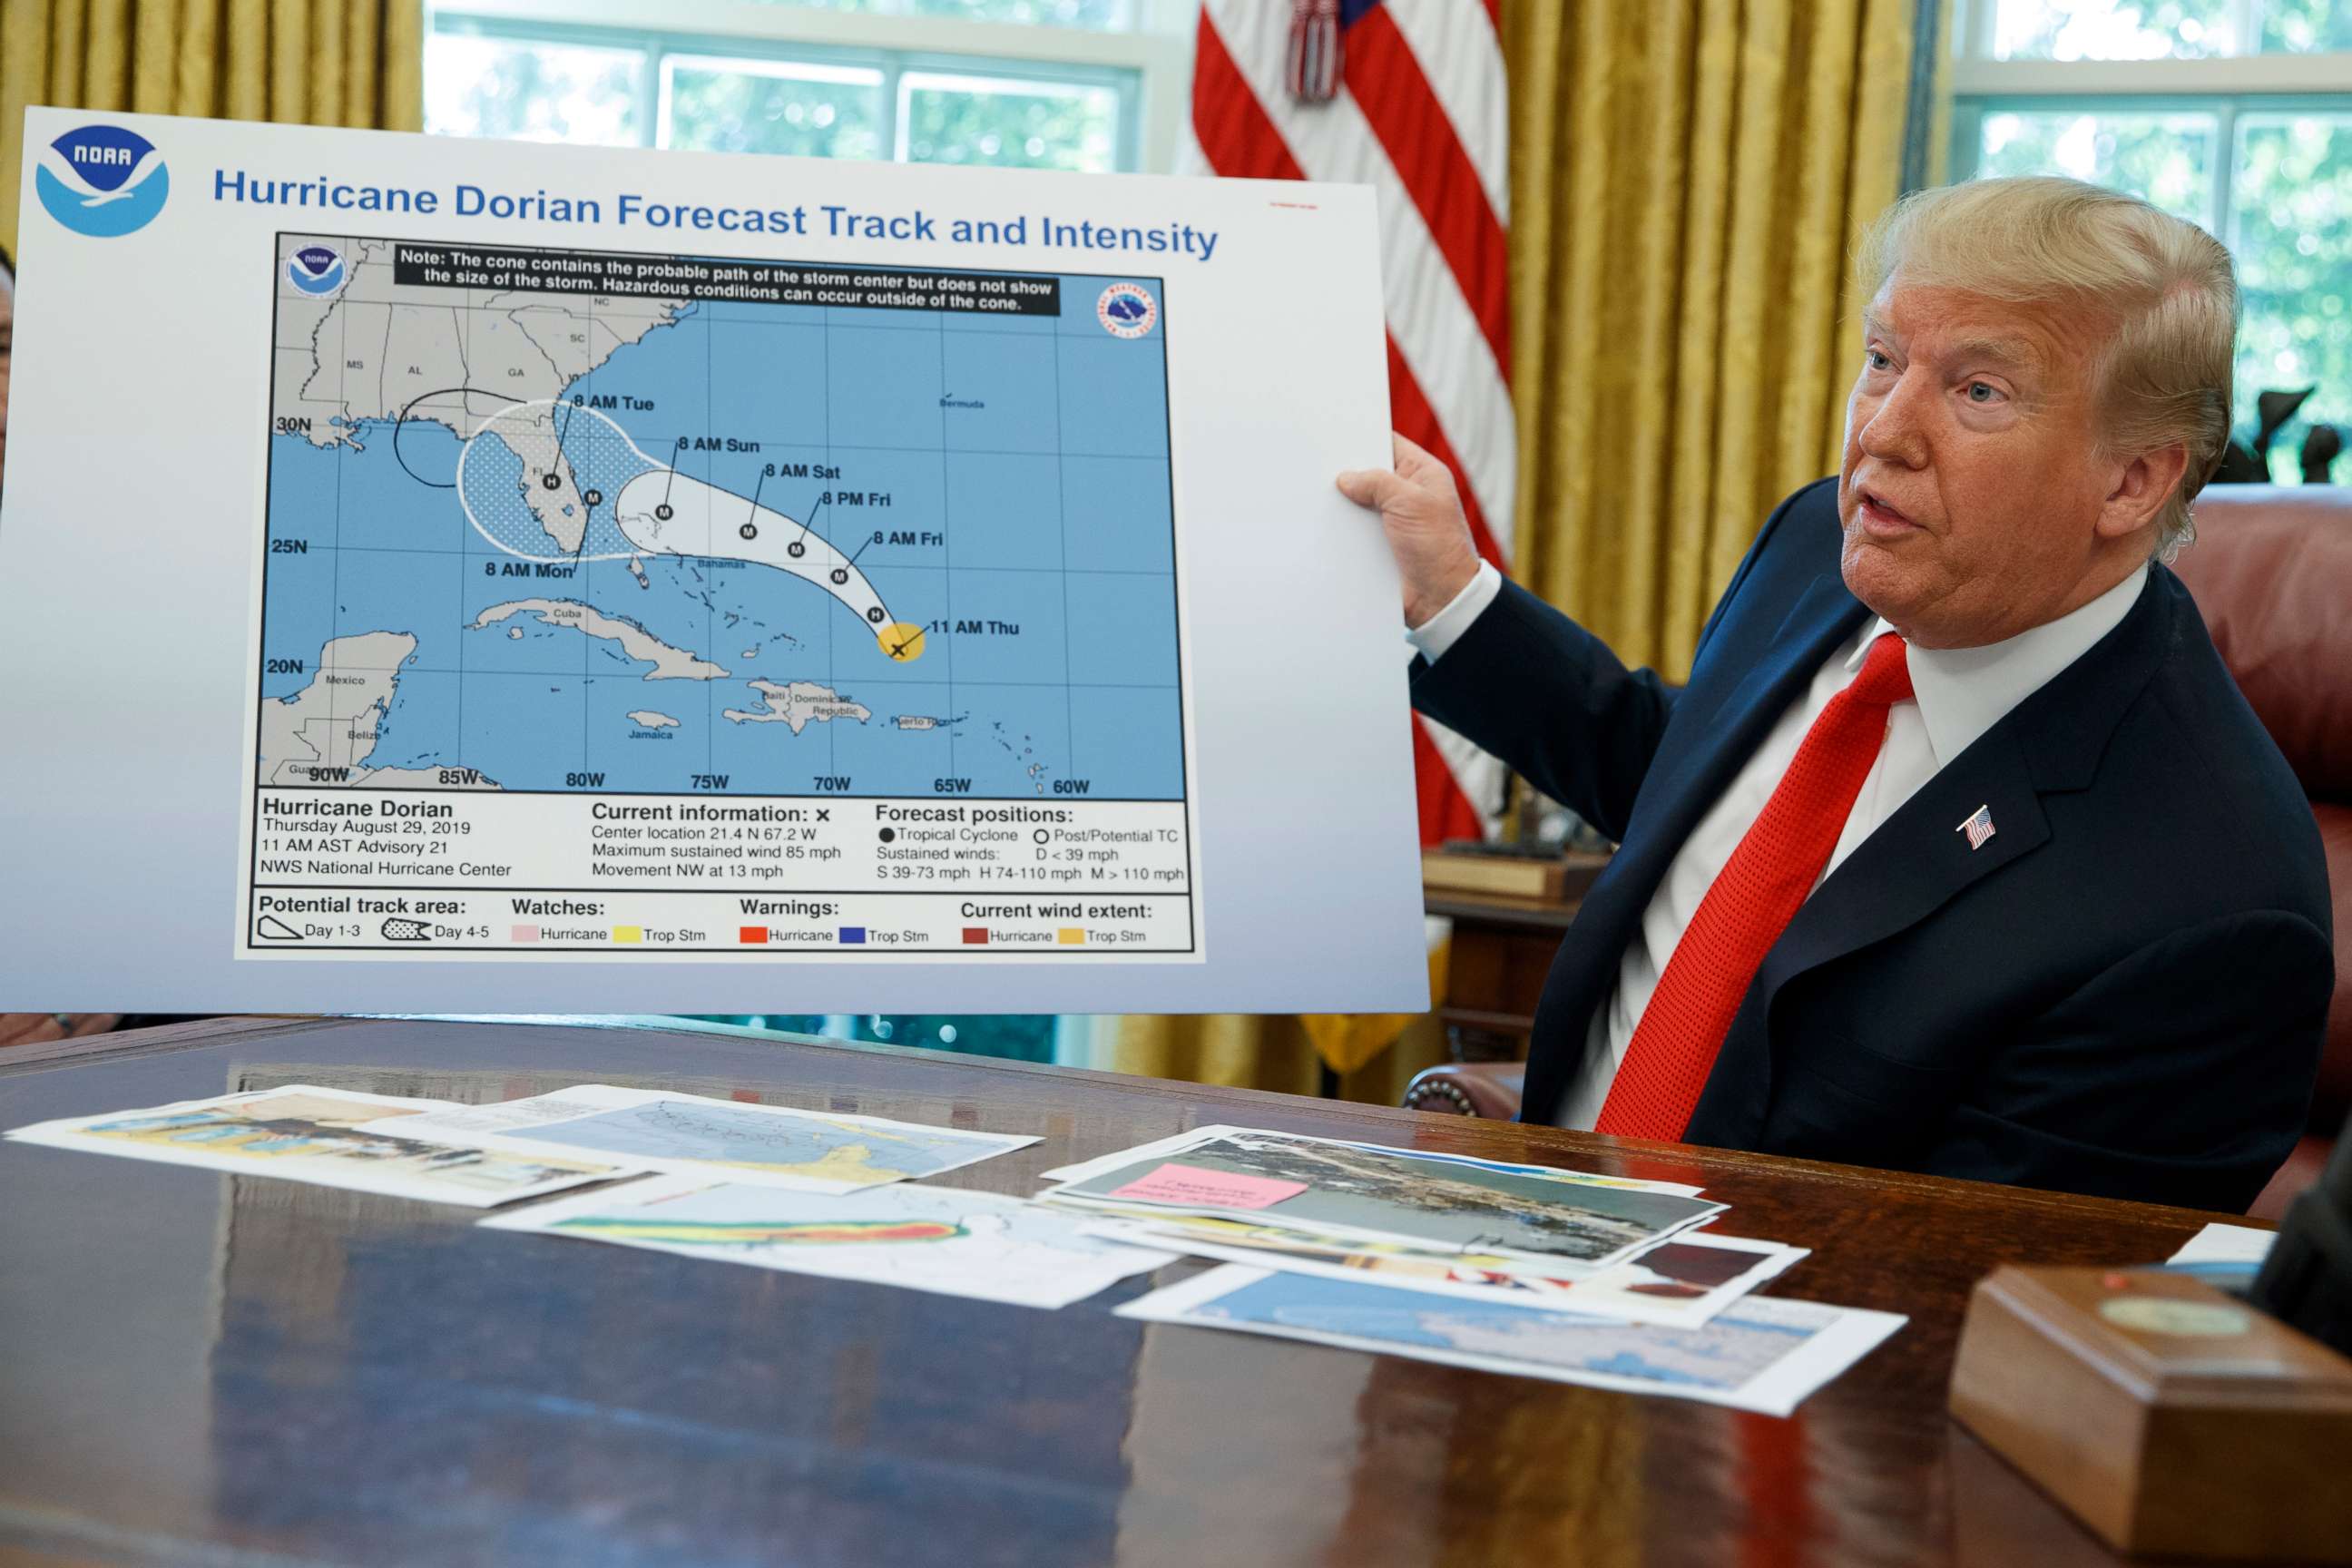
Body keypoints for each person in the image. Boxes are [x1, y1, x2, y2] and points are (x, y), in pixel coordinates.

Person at [1339, 177, 2334, 1212]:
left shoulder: (2214, 904)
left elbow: (1968, 1310)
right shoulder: (1825, 544)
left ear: (2132, 482)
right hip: (1519, 1227)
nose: (1882, 435)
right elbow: (1696, 787)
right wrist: (1454, 600)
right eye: (1882, 361)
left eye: (1977, 392)